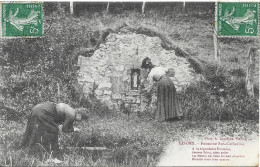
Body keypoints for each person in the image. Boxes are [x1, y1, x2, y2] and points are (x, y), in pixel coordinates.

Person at [20, 102, 88, 157]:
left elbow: (56, 117)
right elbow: (64, 129)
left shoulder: (70, 109)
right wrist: (73, 129)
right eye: (81, 120)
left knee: (32, 129)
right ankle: (55, 156)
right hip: (44, 111)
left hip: (37, 108)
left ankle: (24, 149)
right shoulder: (72, 115)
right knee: (54, 131)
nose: (80, 121)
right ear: (80, 115)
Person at [141, 57, 183, 121]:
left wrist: (146, 90)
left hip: (162, 83)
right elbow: (166, 71)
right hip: (169, 81)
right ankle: (175, 116)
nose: (146, 71)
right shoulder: (159, 67)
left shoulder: (151, 73)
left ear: (148, 68)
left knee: (162, 99)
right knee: (171, 97)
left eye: (146, 69)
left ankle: (163, 117)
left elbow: (151, 84)